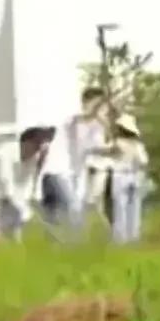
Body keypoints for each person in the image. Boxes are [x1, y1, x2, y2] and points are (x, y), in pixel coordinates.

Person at [40, 89, 106, 233]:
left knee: (58, 216)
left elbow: (98, 149)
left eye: (100, 104)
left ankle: (56, 247)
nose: (98, 108)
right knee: (73, 208)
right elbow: (75, 127)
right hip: (56, 170)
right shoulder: (72, 120)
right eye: (96, 104)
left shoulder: (97, 127)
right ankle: (77, 246)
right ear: (85, 103)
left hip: (73, 174)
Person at [0, 126, 54, 239]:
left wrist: (40, 166)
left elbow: (28, 190)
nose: (39, 149)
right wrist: (25, 208)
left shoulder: (32, 159)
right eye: (37, 144)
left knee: (19, 222)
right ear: (26, 142)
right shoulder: (6, 153)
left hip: (6, 202)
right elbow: (7, 185)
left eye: (41, 146)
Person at [108, 112, 149, 245]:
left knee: (120, 207)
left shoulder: (116, 144)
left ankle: (121, 238)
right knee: (135, 207)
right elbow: (144, 162)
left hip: (120, 175)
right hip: (135, 175)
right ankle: (133, 236)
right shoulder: (137, 145)